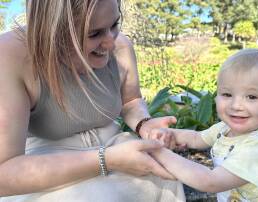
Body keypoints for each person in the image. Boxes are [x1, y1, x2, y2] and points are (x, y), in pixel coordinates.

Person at [0, 0, 185, 201]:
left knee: (168, 179)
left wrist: (144, 124)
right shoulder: (10, 56)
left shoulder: (120, 46)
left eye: (114, 25)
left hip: (117, 148)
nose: (111, 43)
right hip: (47, 167)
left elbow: (130, 100)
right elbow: (4, 174)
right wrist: (106, 160)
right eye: (94, 34)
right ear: (53, 32)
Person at [150, 49, 258, 202]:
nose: (236, 105)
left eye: (252, 97)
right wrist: (169, 134)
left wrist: (159, 153)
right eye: (227, 94)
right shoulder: (224, 128)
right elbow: (196, 138)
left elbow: (210, 181)